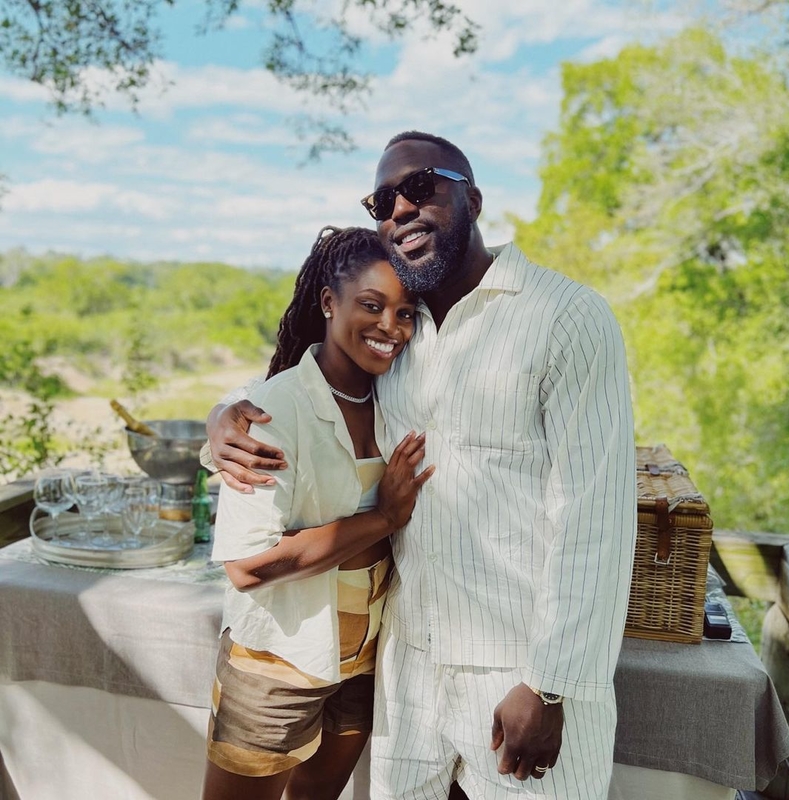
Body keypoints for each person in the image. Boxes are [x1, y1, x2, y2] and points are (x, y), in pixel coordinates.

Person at [205, 132, 637, 800]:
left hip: (517, 679)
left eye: (421, 186)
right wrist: (223, 418)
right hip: (408, 684)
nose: (399, 208)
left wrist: (552, 685)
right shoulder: (400, 339)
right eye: (383, 199)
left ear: (474, 198)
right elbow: (305, 384)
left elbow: (596, 518)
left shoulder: (566, 318)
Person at [201, 225, 434, 800]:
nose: (389, 328)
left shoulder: (400, 394)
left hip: (364, 655)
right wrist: (382, 519)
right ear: (328, 302)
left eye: (405, 314)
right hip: (280, 656)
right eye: (372, 306)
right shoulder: (276, 408)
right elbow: (247, 566)